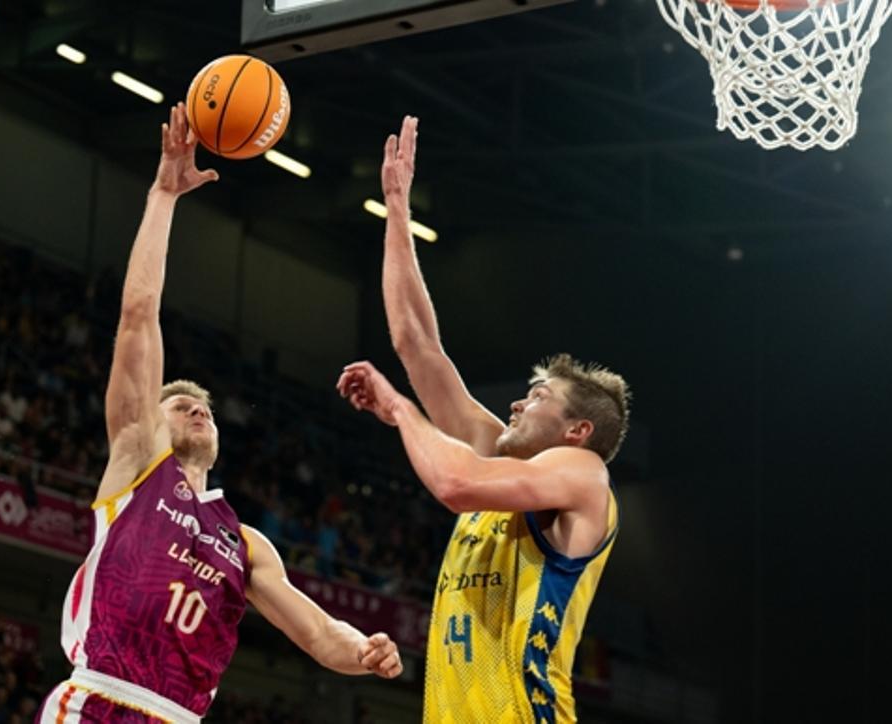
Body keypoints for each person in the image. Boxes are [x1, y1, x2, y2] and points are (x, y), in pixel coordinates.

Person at [39, 103, 402, 724]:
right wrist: (163, 196)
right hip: (102, 698)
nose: (197, 410)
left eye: (204, 406)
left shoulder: (245, 543)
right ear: (151, 423)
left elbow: (318, 634)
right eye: (180, 405)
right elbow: (138, 316)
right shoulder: (135, 469)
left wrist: (362, 651)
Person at [337, 116, 629, 724]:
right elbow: (415, 344)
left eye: (539, 395)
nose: (519, 403)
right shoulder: (496, 451)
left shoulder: (583, 475)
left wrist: (398, 410)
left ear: (578, 431)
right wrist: (396, 209)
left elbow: (454, 485)